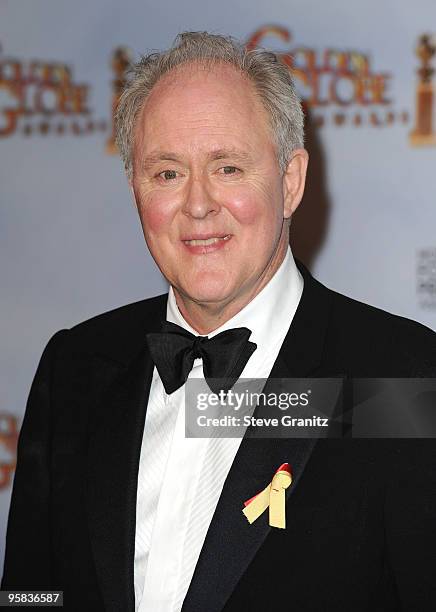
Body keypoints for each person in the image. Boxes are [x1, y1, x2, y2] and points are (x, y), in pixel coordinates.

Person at [2, 31, 436, 612]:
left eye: (228, 167)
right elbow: (31, 594)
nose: (199, 204)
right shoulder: (74, 367)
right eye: (166, 174)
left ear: (291, 182)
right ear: (134, 188)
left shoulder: (403, 378)